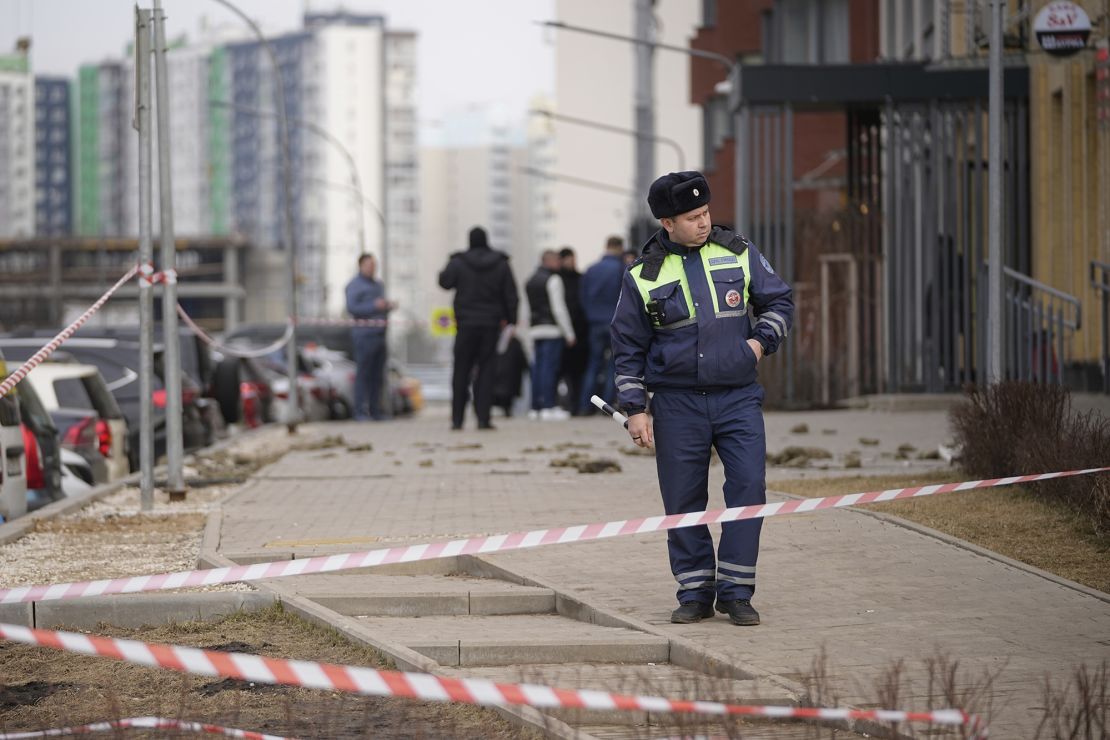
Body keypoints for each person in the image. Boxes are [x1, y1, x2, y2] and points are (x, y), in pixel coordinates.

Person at [610, 171, 793, 627]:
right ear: (667, 223)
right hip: (676, 404)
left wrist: (757, 344)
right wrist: (635, 409)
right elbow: (627, 348)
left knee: (749, 489)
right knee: (683, 500)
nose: (704, 222)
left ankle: (736, 591)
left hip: (738, 398)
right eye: (693, 217)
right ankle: (694, 591)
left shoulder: (739, 252)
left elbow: (780, 304)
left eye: (706, 212)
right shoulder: (643, 275)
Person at [438, 226, 519, 431]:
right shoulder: (501, 263)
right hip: (490, 326)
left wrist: (448, 264)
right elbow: (511, 295)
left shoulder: (458, 262)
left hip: (465, 325)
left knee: (461, 372)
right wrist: (511, 321)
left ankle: (457, 420)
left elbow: (444, 282)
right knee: (487, 372)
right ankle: (483, 419)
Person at [525, 249, 576, 420]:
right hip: (552, 330)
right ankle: (548, 405)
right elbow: (558, 308)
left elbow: (527, 309)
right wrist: (569, 332)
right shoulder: (554, 279)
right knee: (550, 369)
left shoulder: (530, 280)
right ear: (550, 261)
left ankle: (535, 407)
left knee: (537, 370)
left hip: (535, 330)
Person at [578, 235, 626, 414]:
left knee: (593, 363)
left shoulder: (591, 270)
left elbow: (582, 298)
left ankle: (584, 405)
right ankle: (606, 407)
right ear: (620, 247)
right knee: (614, 365)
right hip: (614, 322)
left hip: (594, 323)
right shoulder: (621, 268)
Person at [345, 254, 396, 421]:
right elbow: (352, 308)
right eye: (369, 264)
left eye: (374, 264)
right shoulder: (354, 285)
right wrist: (374, 305)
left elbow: (380, 308)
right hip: (364, 336)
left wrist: (387, 306)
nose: (372, 267)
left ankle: (376, 410)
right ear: (360, 265)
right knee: (363, 375)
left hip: (380, 335)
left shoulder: (378, 285)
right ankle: (360, 411)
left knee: (378, 376)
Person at [557, 247, 589, 414]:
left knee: (579, 371)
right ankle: (570, 403)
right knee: (566, 372)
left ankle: (577, 403)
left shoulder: (580, 278)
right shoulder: (557, 279)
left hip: (581, 331)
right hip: (566, 333)